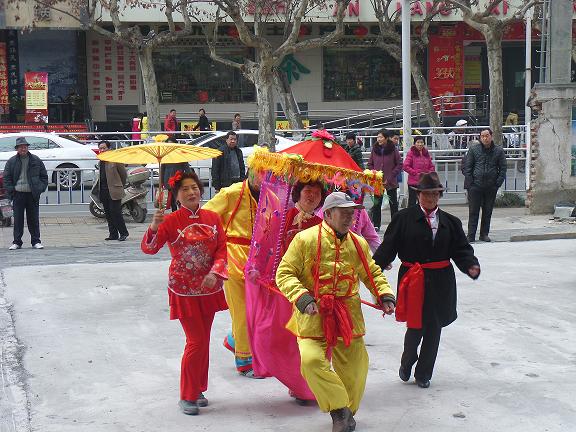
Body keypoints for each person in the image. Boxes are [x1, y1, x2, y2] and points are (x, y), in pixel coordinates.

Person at [276, 192, 396, 432]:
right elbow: (284, 273)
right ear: (328, 214)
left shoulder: (358, 243)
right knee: (310, 361)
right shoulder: (304, 239)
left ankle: (347, 413)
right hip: (313, 313)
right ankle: (339, 410)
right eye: (344, 213)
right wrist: (302, 297)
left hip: (348, 314)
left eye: (352, 213)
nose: (350, 218)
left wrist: (384, 295)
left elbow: (372, 273)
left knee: (356, 367)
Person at [373, 172, 480, 389]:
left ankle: (423, 373)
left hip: (441, 283)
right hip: (413, 280)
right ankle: (407, 362)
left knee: (434, 328)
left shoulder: (451, 222)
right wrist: (374, 268)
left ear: (439, 196)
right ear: (418, 194)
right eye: (426, 194)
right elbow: (388, 247)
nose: (430, 198)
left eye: (434, 194)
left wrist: (470, 264)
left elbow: (461, 249)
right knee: (415, 327)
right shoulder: (403, 219)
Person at [141, 171, 228, 416]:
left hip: (209, 288)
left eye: (194, 187)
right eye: (185, 189)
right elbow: (149, 248)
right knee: (196, 341)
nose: (192, 192)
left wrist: (215, 272)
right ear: (176, 196)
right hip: (183, 290)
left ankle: (198, 389)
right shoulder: (170, 221)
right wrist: (154, 226)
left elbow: (222, 250)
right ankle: (187, 395)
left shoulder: (213, 218)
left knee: (203, 341)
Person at [203, 171, 262, 377]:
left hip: (258, 260)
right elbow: (206, 216)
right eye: (259, 171)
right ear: (250, 171)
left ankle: (234, 340)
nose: (263, 176)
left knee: (257, 310)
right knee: (242, 311)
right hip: (234, 258)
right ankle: (244, 361)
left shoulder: (270, 195)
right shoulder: (231, 193)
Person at [4, 137, 48, 250]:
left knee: (33, 219)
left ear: (27, 147)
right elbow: (6, 178)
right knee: (18, 219)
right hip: (18, 194)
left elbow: (44, 176)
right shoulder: (11, 161)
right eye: (20, 147)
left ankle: (36, 241)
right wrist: (12, 190)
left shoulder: (36, 160)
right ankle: (17, 242)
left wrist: (40, 188)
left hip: (32, 194)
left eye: (25, 146)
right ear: (17, 149)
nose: (23, 149)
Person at [463, 128, 507, 243]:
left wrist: (497, 183)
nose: (485, 138)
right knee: (473, 211)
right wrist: (471, 182)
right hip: (475, 186)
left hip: (491, 186)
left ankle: (484, 234)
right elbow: (467, 167)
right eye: (482, 136)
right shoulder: (474, 149)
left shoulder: (498, 151)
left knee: (487, 211)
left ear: (491, 136)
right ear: (480, 138)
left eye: (487, 136)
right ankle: (471, 235)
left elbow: (503, 168)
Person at [367, 129, 402, 230]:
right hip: (378, 182)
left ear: (386, 138)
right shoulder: (374, 149)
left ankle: (395, 225)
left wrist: (390, 177)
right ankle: (376, 225)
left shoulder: (393, 149)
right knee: (377, 204)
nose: (379, 139)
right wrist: (373, 174)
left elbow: (399, 164)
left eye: (381, 137)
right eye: (378, 137)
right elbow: (370, 164)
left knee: (393, 204)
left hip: (391, 182)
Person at [97, 141, 129, 241]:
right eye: (100, 148)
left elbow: (123, 174)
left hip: (114, 190)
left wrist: (119, 185)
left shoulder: (115, 159)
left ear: (109, 148)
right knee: (108, 213)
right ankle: (113, 234)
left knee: (115, 212)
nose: (102, 150)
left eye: (104, 148)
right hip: (104, 191)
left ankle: (123, 233)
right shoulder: (100, 161)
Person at [161, 137, 193, 212]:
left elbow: (187, 168)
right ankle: (175, 213)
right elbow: (162, 170)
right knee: (172, 201)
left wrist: (190, 179)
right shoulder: (165, 156)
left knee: (180, 199)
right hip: (168, 181)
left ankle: (182, 213)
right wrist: (161, 182)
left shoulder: (180, 155)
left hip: (178, 180)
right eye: (168, 145)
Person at [403, 136, 435, 207]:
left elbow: (431, 166)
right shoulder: (411, 153)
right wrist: (415, 173)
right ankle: (412, 214)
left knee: (423, 201)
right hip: (413, 182)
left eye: (422, 142)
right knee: (412, 202)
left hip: (424, 181)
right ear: (414, 143)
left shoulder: (426, 153)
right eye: (418, 142)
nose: (420, 144)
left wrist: (429, 173)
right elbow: (405, 166)